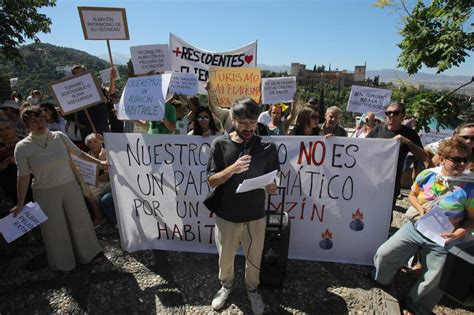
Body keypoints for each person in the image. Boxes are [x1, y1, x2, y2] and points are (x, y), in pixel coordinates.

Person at [372, 136, 474, 315]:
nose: (461, 164)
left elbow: (471, 220)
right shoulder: (427, 175)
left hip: (445, 239)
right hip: (416, 228)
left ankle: (416, 305)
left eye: (465, 160)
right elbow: (412, 195)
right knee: (385, 254)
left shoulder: (470, 187)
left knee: (435, 278)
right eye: (456, 159)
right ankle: (382, 282)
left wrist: (457, 235)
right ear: (442, 158)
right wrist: (420, 209)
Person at [207, 97, 279, 314]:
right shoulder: (220, 144)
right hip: (226, 215)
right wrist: (233, 168)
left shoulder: (267, 146)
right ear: (232, 119)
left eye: (252, 122)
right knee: (225, 257)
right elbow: (211, 180)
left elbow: (273, 177)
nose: (248, 127)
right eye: (243, 122)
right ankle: (225, 286)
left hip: (256, 215)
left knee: (254, 257)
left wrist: (271, 186)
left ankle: (252, 290)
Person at [13, 107, 105, 271]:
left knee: (80, 220)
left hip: (69, 185)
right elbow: (23, 176)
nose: (39, 123)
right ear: (26, 124)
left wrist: (101, 163)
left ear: (46, 119)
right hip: (45, 191)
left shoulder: (59, 136)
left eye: (41, 119)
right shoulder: (22, 147)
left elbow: (79, 154)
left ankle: (89, 254)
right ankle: (63, 264)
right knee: (54, 229)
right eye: (33, 121)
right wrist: (20, 203)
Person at [367, 102, 428, 210]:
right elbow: (362, 148)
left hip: (391, 183)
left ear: (402, 116)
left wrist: (408, 142)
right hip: (372, 179)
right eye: (388, 113)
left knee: (385, 213)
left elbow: (424, 156)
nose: (391, 115)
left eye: (395, 113)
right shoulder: (377, 129)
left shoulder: (409, 134)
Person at [71, 65, 111, 137]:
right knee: (89, 147)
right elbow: (76, 109)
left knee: (105, 145)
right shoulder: (73, 91)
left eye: (82, 73)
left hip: (100, 122)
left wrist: (112, 80)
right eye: (76, 74)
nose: (80, 76)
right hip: (84, 125)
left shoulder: (95, 86)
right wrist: (77, 122)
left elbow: (110, 91)